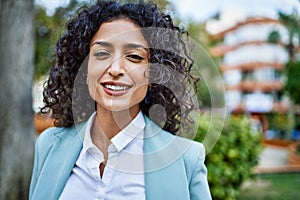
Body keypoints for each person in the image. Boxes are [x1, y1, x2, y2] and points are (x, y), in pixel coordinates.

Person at [29, 1, 212, 199]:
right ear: (84, 68)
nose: (115, 69)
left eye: (134, 56)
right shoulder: (48, 145)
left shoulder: (187, 159)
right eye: (101, 53)